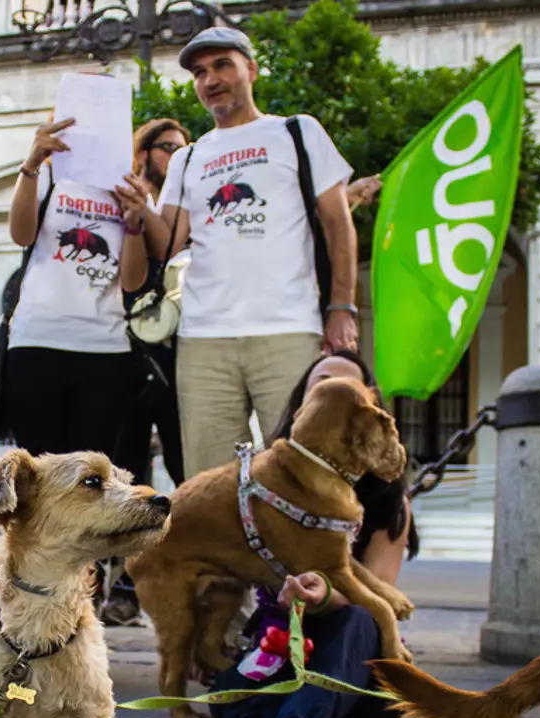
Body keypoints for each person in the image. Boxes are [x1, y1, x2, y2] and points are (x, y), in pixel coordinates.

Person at [119, 26, 360, 479]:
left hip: (288, 330)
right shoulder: (189, 157)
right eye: (200, 72)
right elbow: (166, 239)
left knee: (306, 475)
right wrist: (138, 210)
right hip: (203, 340)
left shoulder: (296, 132)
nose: (211, 79)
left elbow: (337, 224)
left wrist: (341, 307)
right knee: (209, 485)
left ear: (251, 68)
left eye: (222, 65)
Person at [212, 350, 418, 718]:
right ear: (303, 405)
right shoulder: (260, 481)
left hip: (361, 675)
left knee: (359, 615)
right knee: (224, 696)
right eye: (321, 383)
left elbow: (380, 589)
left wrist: (326, 596)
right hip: (280, 653)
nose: (333, 392)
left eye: (350, 387)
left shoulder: (388, 499)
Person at [2, 115, 147, 464]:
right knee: (38, 474)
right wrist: (32, 164)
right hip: (37, 342)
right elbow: (20, 234)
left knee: (93, 479)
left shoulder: (126, 188)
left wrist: (134, 224)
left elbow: (133, 282)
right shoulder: (49, 178)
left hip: (105, 348)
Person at [115, 117, 191, 490]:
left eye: (183, 151)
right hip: (124, 346)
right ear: (144, 153)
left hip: (173, 349)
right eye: (170, 149)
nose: (177, 158)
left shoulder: (176, 208)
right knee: (124, 464)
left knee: (184, 461)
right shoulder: (120, 193)